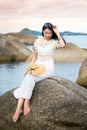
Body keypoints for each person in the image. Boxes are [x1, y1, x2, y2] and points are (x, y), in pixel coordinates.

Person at [12, 22, 66, 122]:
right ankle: (18, 108)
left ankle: (26, 102)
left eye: (50, 33)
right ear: (42, 32)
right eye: (46, 33)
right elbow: (35, 56)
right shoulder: (37, 41)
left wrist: (57, 32)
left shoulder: (54, 42)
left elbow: (63, 45)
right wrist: (30, 67)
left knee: (30, 77)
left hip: (48, 67)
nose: (47, 35)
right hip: (38, 65)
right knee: (28, 76)